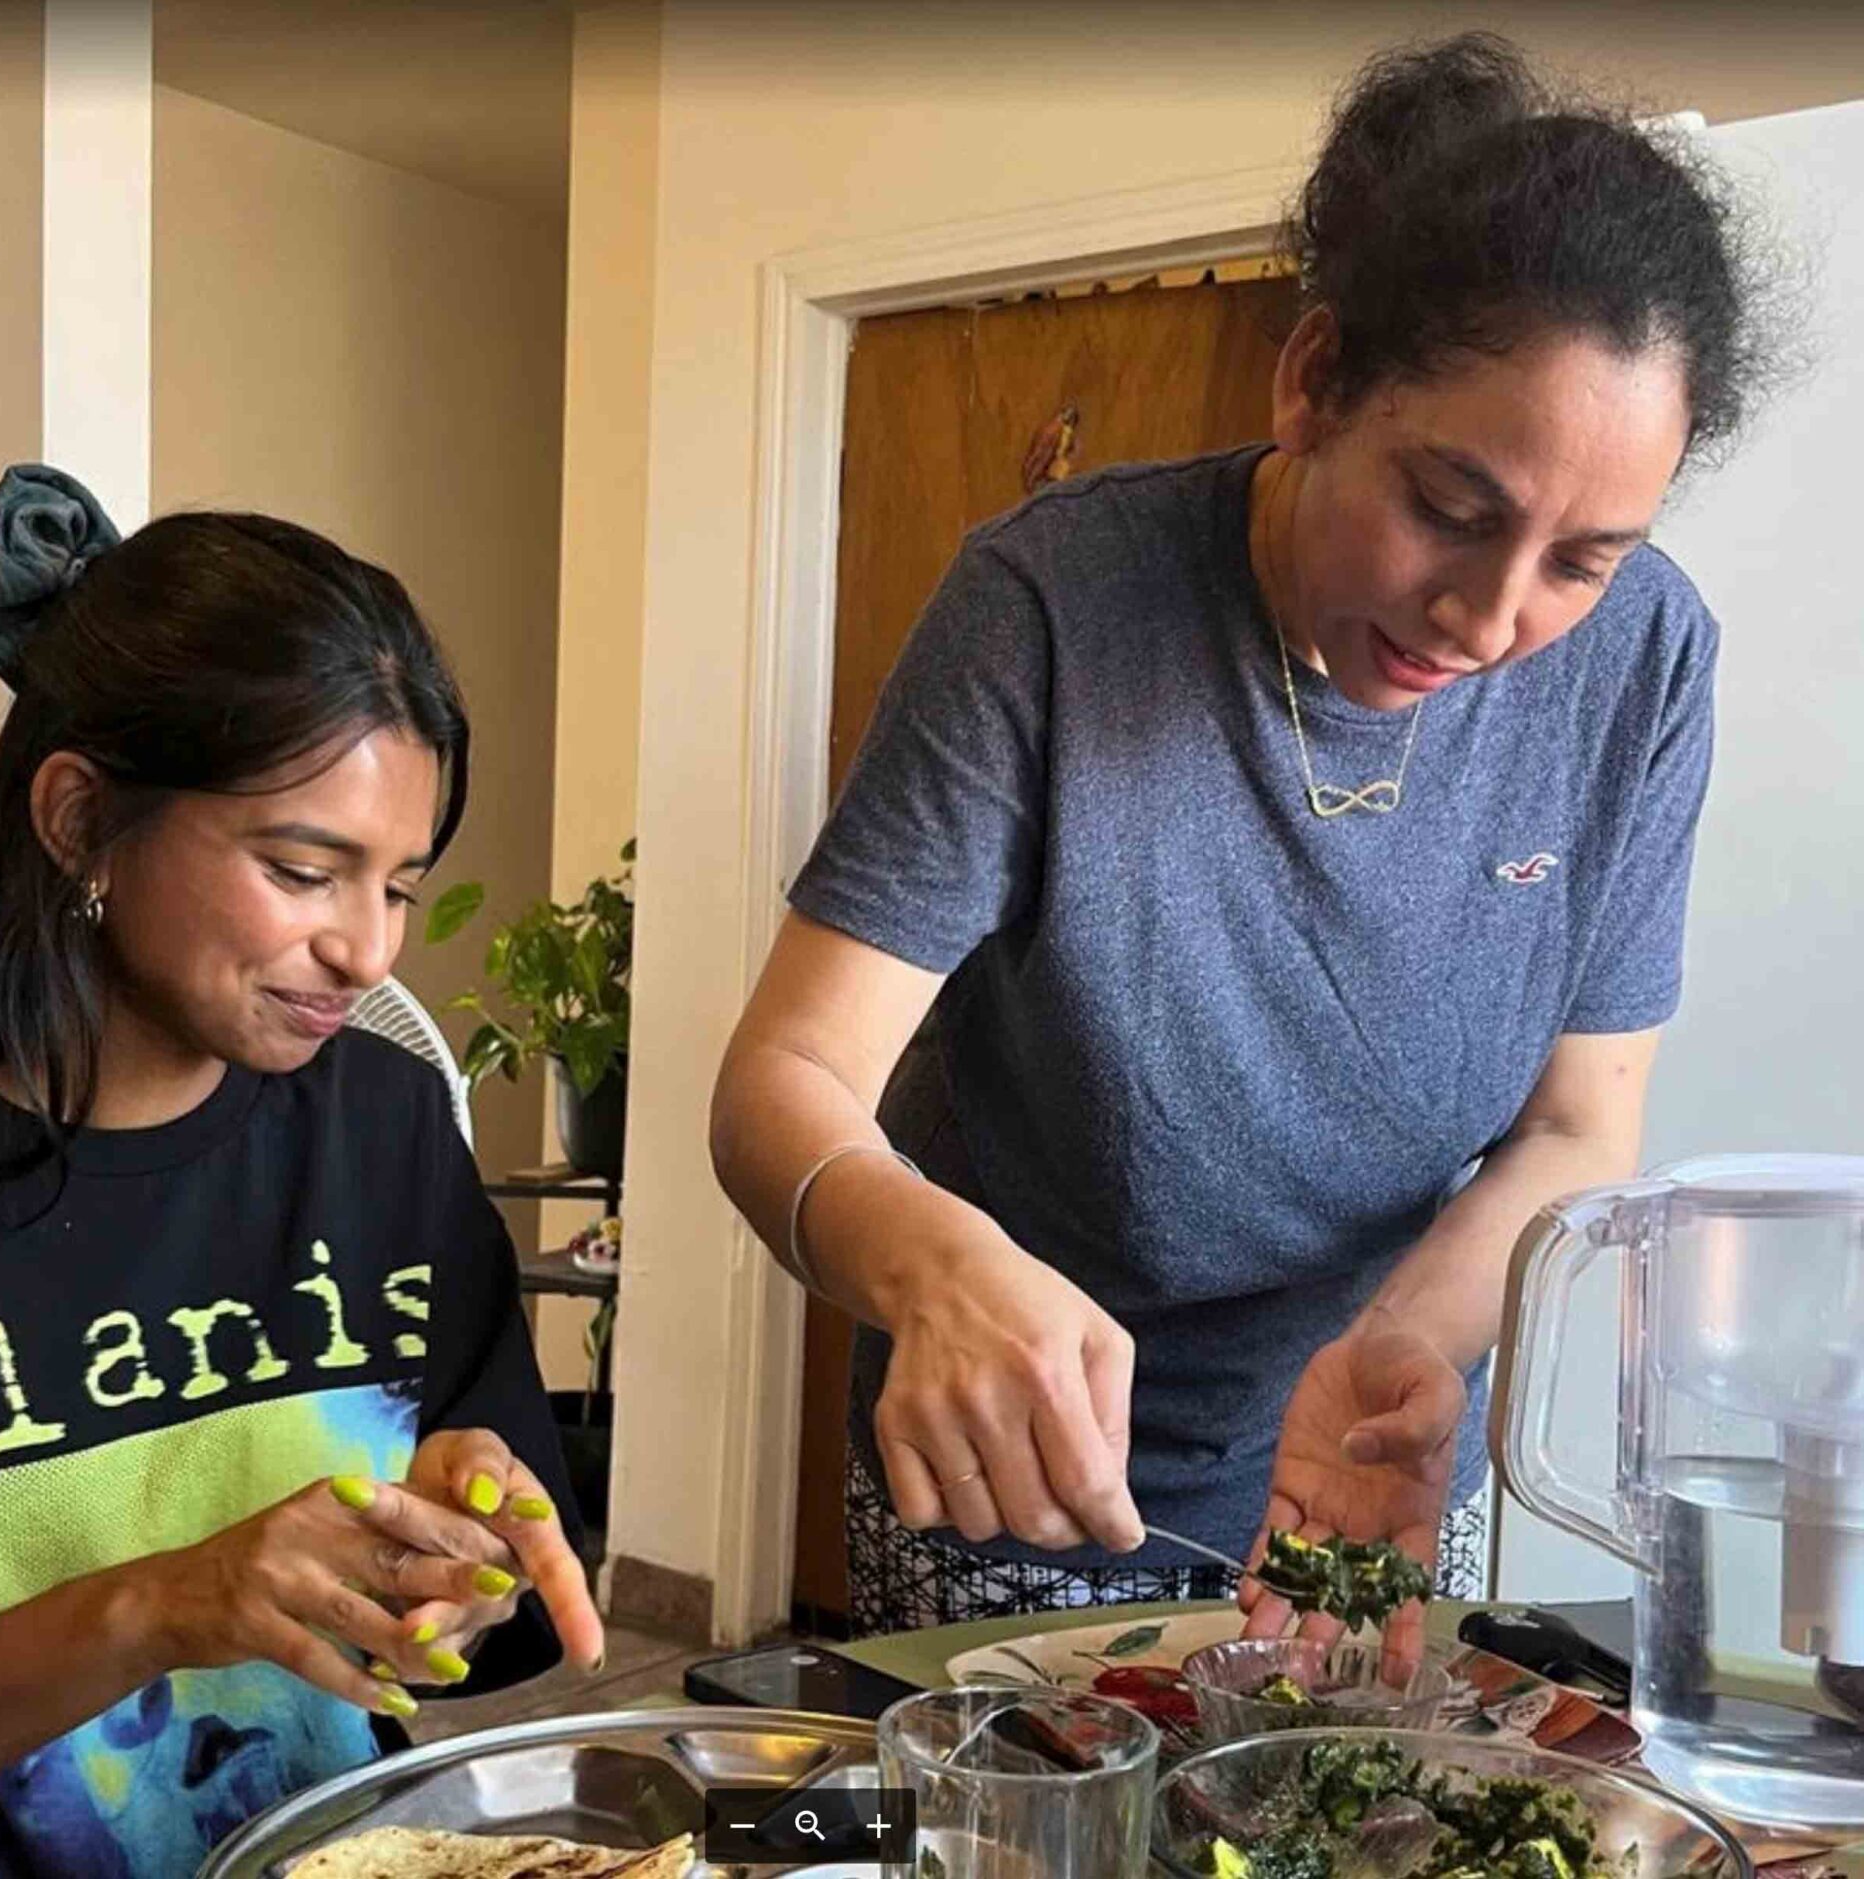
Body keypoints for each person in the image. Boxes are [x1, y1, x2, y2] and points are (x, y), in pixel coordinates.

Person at [711, 34, 1779, 1653]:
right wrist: (929, 1266)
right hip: (1025, 1470)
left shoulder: (1647, 663)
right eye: (1451, 507)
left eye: (1583, 560)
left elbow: (1578, 1127)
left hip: (1368, 1462)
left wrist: (1405, 1348)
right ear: (1312, 381)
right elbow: (782, 1082)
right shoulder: (1051, 608)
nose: (1491, 618)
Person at [0, 467, 604, 1873]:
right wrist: (169, 1604)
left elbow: (508, 1605)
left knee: (848, 1823)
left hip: (341, 1853)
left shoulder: (384, 1128)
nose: (368, 951)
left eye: (399, 886)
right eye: (304, 871)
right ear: (79, 819)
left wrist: (464, 1565)